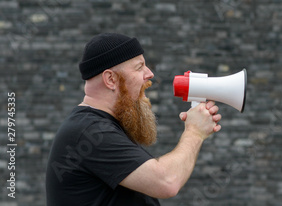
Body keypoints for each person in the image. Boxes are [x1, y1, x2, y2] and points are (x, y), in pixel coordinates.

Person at [45, 33, 222, 206]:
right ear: (110, 79)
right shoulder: (90, 133)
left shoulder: (98, 127)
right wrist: (194, 132)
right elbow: (167, 182)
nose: (150, 74)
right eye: (139, 67)